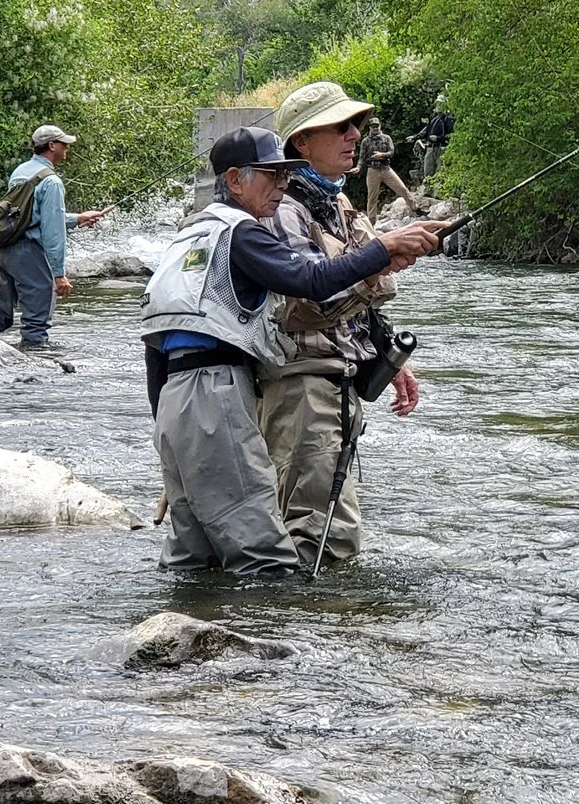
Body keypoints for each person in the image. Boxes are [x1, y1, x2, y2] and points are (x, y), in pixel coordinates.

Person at [141, 126, 446, 574]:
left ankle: (187, 617)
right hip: (217, 395)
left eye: (286, 176)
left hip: (172, 401)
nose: (284, 186)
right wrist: (383, 248)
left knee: (193, 556)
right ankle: (279, 623)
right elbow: (311, 281)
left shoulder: (189, 238)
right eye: (274, 175)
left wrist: (172, 438)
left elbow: (154, 344)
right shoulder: (242, 233)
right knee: (264, 555)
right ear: (235, 180)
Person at [265, 81, 423, 570]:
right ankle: (312, 615)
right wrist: (381, 258)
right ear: (302, 142)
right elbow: (311, 295)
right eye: (341, 127)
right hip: (301, 388)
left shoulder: (337, 203)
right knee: (320, 535)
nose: (355, 134)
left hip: (336, 383)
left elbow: (356, 301)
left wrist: (388, 357)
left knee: (328, 529)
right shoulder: (282, 211)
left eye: (355, 124)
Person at [0, 124, 108, 348]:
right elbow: (52, 232)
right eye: (64, 144)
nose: (67, 148)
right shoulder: (52, 182)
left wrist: (77, 218)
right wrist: (59, 275)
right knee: (36, 322)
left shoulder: (21, 171)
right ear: (51, 145)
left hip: (6, 249)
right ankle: (36, 362)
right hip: (29, 254)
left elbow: (30, 216)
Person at [359, 114, 416, 220]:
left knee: (402, 189)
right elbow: (361, 157)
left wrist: (381, 155)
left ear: (380, 126)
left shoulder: (386, 138)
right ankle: (371, 221)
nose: (375, 128)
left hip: (386, 169)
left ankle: (414, 209)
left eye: (377, 126)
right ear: (370, 127)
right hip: (372, 170)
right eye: (373, 126)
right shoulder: (365, 141)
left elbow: (391, 152)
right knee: (372, 197)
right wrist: (358, 167)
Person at [412, 94, 455, 185]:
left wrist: (438, 138)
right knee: (427, 172)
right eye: (438, 103)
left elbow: (450, 135)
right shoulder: (433, 117)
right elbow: (427, 130)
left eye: (441, 104)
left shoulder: (448, 118)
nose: (439, 106)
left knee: (440, 173)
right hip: (430, 147)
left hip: (442, 148)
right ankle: (427, 189)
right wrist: (416, 137)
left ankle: (438, 190)